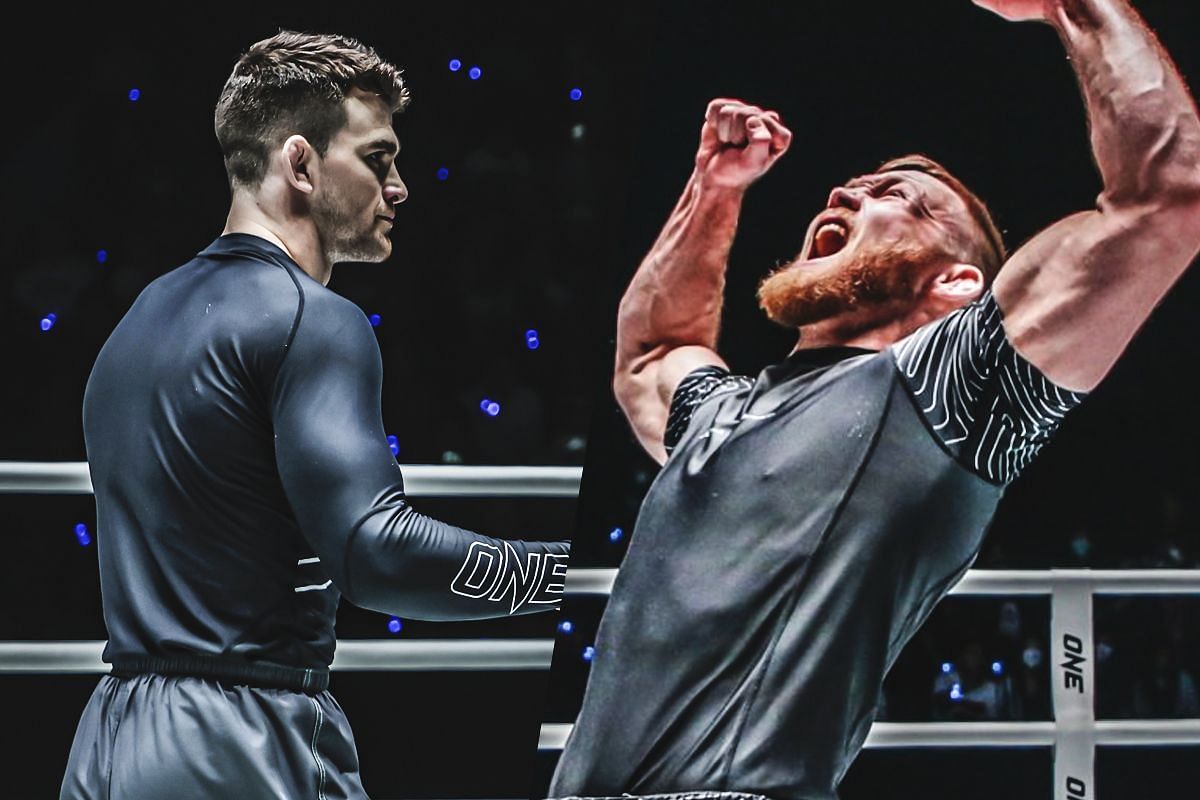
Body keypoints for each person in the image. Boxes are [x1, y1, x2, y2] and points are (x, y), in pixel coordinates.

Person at [548, 1, 1200, 799]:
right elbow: (651, 351)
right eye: (854, 185)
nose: (849, 190)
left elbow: (1168, 198)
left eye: (895, 195)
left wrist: (1074, 6)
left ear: (955, 282)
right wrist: (714, 190)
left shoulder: (950, 389)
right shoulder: (726, 411)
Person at [61, 31, 570, 800]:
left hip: (109, 736)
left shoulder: (140, 316)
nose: (399, 187)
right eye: (377, 158)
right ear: (300, 163)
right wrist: (555, 575)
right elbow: (376, 552)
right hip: (241, 735)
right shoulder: (313, 319)